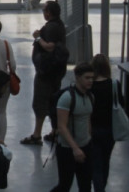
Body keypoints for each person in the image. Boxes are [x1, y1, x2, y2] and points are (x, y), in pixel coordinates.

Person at [22, 0, 68, 145]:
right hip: (55, 71)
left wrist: (37, 37)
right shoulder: (59, 25)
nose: (43, 13)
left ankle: (37, 134)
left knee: (40, 102)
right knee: (53, 99)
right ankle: (55, 131)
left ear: (49, 13)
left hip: (46, 72)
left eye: (44, 10)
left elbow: (49, 46)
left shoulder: (51, 28)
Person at [52, 62, 96, 192]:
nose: (90, 81)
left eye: (92, 78)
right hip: (67, 149)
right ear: (77, 77)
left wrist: (89, 140)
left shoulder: (90, 97)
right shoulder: (67, 98)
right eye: (87, 77)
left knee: (86, 186)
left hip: (85, 147)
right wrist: (75, 148)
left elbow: (88, 119)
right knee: (64, 185)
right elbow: (61, 126)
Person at [90, 54, 123, 192]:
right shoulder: (114, 84)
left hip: (92, 129)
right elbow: (121, 104)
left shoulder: (90, 86)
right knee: (105, 161)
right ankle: (101, 187)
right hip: (110, 129)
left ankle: (98, 188)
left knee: (96, 163)